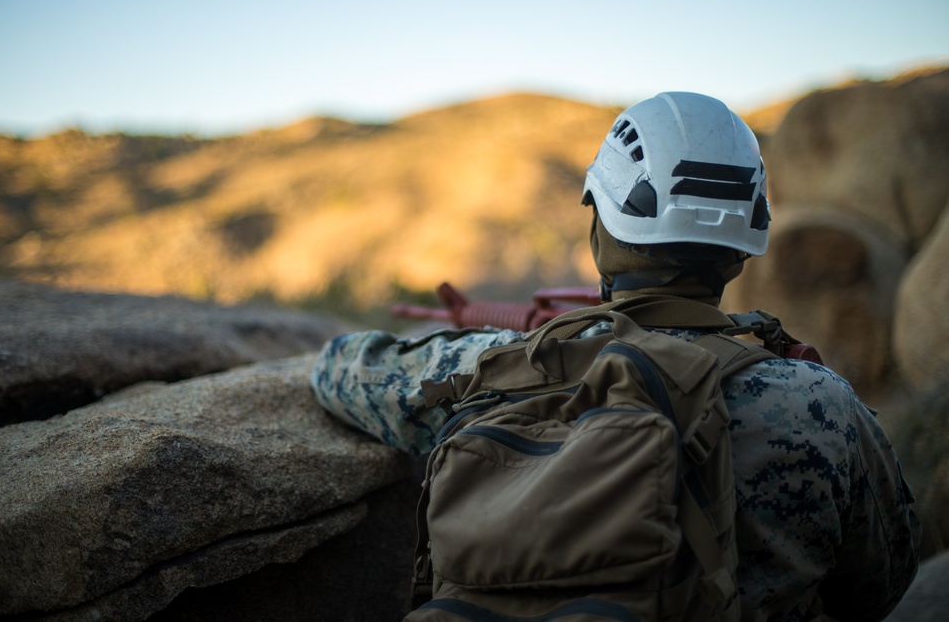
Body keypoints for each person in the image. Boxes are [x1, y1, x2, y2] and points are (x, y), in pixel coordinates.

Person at [310, 92, 922, 621]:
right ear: (744, 245)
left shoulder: (494, 367)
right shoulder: (819, 403)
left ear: (602, 229)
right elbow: (880, 590)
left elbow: (341, 368)